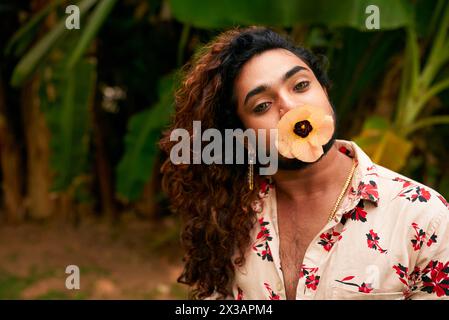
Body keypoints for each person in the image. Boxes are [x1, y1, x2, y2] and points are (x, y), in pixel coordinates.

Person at [159, 27, 449, 300]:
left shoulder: (424, 218)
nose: (289, 106)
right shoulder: (229, 216)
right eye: (262, 106)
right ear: (244, 138)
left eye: (300, 85)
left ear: (324, 91)